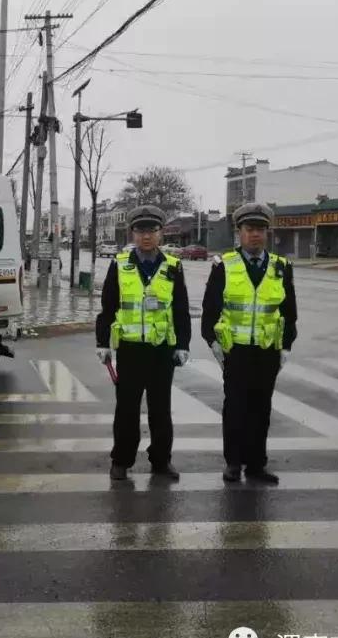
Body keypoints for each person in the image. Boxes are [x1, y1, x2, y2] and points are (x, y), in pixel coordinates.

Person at [201, 202, 298, 485]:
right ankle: (233, 462)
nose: (255, 235)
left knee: (261, 408)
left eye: (260, 230)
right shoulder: (224, 266)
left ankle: (256, 464)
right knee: (235, 408)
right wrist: (213, 343)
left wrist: (286, 346)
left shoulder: (281, 267)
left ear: (267, 233)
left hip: (267, 351)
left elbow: (289, 312)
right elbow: (210, 309)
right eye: (249, 229)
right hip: (236, 350)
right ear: (239, 232)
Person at [95, 205, 191, 481]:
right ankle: (121, 460)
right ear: (133, 234)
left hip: (162, 350)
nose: (146, 236)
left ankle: (161, 460)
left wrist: (183, 344)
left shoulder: (173, 266)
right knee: (126, 409)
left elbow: (180, 309)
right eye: (140, 231)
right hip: (130, 349)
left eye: (152, 230)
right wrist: (102, 342)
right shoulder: (120, 265)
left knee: (161, 409)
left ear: (161, 233)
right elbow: (108, 307)